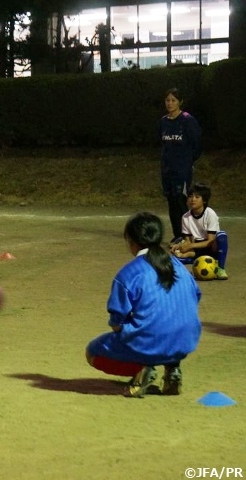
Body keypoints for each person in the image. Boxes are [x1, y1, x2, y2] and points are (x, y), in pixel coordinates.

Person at [86, 212, 202, 398]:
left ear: (131, 241)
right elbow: (195, 297)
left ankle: (141, 369)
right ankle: (173, 369)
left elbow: (117, 321)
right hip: (186, 340)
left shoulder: (129, 273)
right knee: (167, 324)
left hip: (149, 343)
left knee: (93, 352)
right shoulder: (180, 267)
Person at [159, 87, 202, 242]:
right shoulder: (164, 121)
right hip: (167, 170)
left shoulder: (187, 120)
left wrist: (188, 161)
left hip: (182, 170)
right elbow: (163, 145)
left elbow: (197, 144)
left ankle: (187, 236)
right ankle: (178, 235)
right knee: (171, 201)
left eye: (173, 100)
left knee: (180, 201)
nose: (170, 103)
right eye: (167, 100)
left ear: (180, 102)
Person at [170, 183, 228, 280]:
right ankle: (191, 263)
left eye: (197, 197)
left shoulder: (210, 214)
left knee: (221, 236)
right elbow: (188, 240)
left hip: (211, 247)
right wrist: (180, 246)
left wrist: (190, 246)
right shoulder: (185, 217)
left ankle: (220, 269)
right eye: (190, 196)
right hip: (197, 246)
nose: (193, 200)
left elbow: (210, 241)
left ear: (204, 200)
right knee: (175, 255)